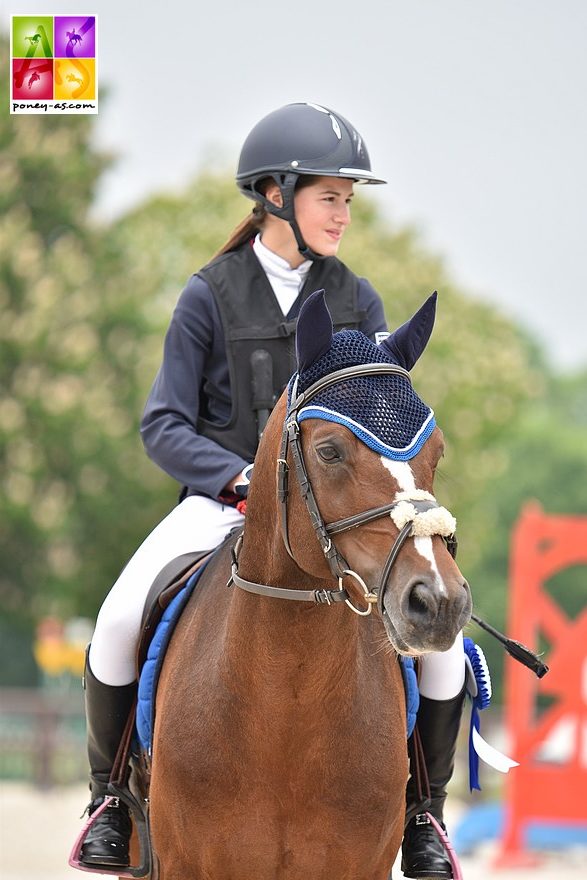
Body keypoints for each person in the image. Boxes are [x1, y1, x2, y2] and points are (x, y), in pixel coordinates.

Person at [78, 102, 466, 879]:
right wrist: (236, 476)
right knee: (119, 619)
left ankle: (422, 813)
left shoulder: (358, 301)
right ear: (275, 195)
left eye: (349, 201)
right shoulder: (209, 295)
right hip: (219, 505)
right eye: (330, 197)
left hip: (340, 512)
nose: (343, 215)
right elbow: (163, 423)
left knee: (444, 652)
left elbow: (382, 424)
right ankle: (112, 802)